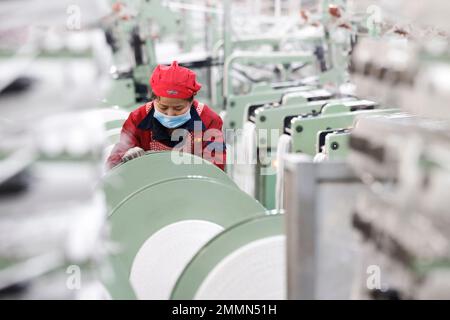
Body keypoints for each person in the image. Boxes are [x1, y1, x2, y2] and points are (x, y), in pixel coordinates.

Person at [106, 61, 226, 170]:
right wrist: (126, 156)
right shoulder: (138, 119)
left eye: (178, 108)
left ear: (191, 101)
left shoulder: (209, 121)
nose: (170, 114)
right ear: (153, 100)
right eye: (163, 107)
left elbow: (216, 167)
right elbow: (112, 163)